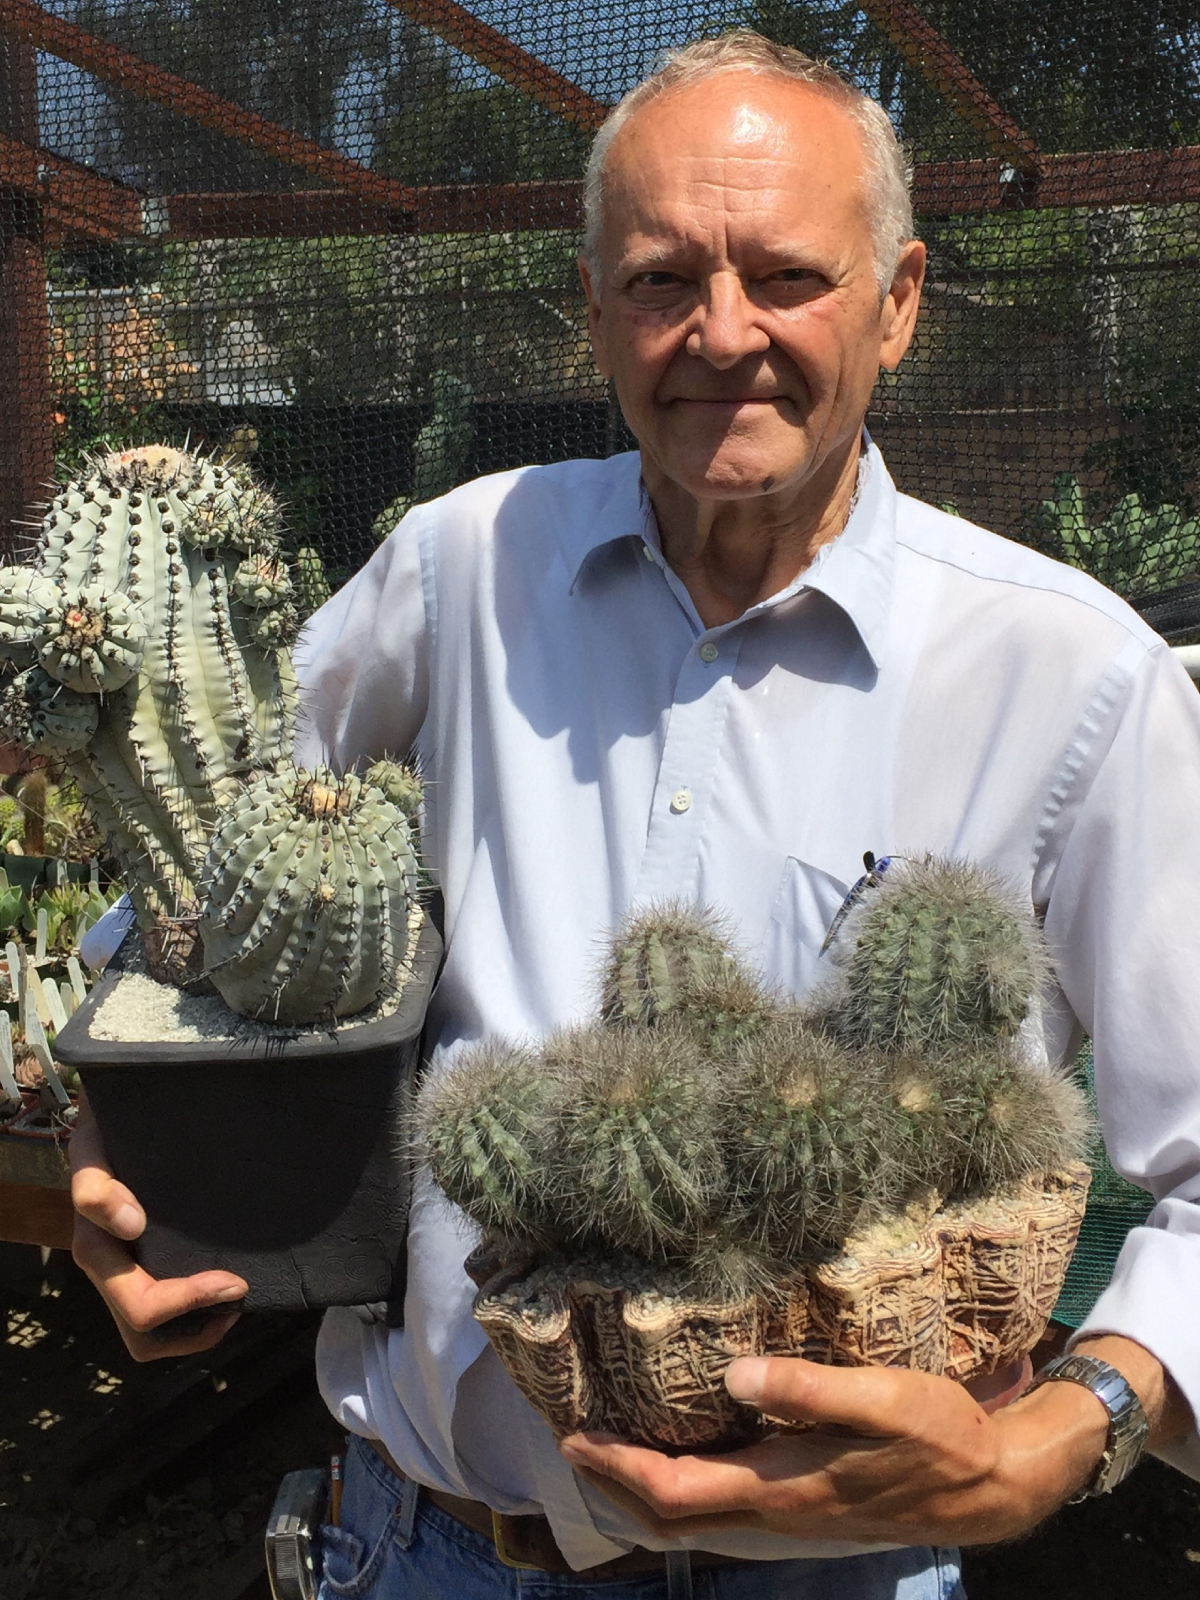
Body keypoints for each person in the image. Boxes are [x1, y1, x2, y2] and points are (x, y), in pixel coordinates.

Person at [69, 30, 1199, 1600]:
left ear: (902, 302)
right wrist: (116, 1145)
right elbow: (203, 852)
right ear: (592, 304)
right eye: (663, 280)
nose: (720, 335)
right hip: (428, 1546)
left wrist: (1069, 1437)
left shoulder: (1074, 677)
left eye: (786, 277)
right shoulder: (465, 564)